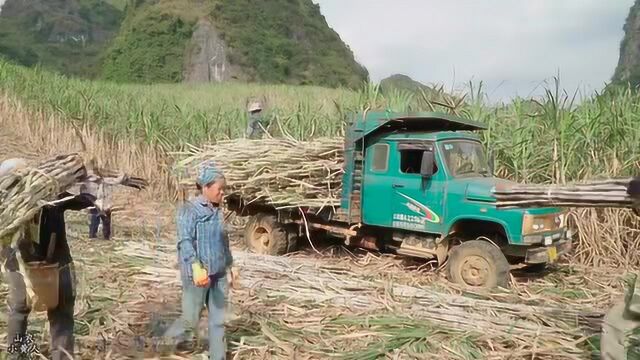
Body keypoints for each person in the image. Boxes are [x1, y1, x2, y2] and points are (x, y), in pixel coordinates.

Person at [0, 158, 96, 360]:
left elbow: (83, 201)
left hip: (21, 267)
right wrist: (88, 182)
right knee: (60, 314)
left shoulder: (6, 207)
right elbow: (85, 200)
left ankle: (16, 355)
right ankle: (58, 356)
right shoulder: (52, 197)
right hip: (54, 266)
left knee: (19, 312)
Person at [163, 161, 235, 360]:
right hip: (197, 276)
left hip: (218, 273)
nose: (222, 194)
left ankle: (217, 357)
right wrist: (195, 265)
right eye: (220, 189)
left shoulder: (218, 211)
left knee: (218, 320)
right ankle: (168, 343)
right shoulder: (189, 210)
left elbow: (224, 240)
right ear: (206, 187)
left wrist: (230, 265)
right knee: (190, 320)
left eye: (224, 190)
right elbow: (184, 240)